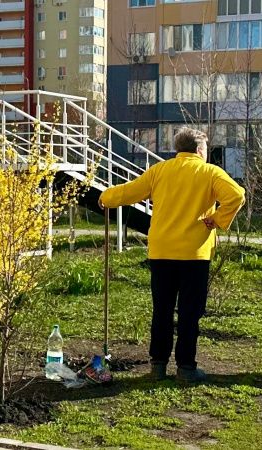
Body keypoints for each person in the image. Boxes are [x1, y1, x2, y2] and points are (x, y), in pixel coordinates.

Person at [99, 127, 245, 382]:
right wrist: (217, 219)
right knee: (190, 312)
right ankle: (186, 367)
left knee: (162, 310)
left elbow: (130, 191)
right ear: (200, 150)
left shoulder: (160, 170)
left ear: (178, 148)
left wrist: (106, 197)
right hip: (194, 254)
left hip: (162, 251)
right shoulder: (209, 172)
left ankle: (158, 365)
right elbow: (237, 195)